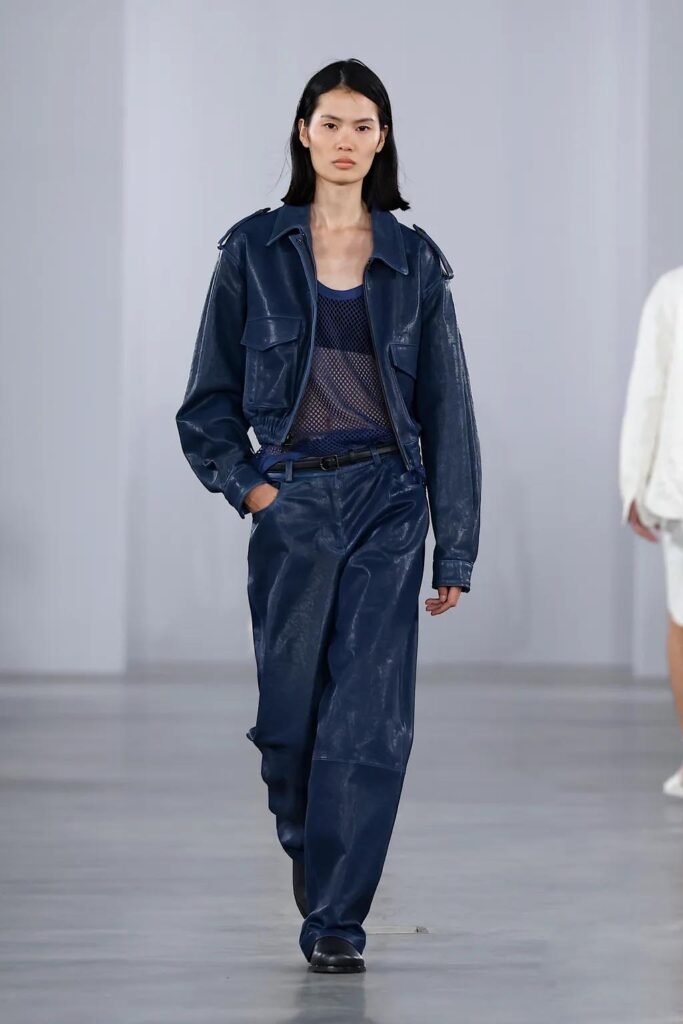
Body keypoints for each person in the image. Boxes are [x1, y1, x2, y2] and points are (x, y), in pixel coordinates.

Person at [175, 57, 482, 972]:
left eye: (363, 125)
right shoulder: (252, 251)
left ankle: (337, 920)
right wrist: (254, 491)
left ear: (382, 141)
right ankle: (320, 863)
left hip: (389, 499)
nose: (346, 141)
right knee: (289, 725)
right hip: (295, 504)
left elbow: (449, 413)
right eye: (331, 123)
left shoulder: (413, 260)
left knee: (369, 718)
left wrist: (453, 549)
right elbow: (206, 402)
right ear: (303, 134)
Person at [619, 266, 683, 798]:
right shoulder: (672, 291)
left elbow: (648, 393)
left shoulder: (673, 290)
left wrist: (633, 484)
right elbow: (649, 391)